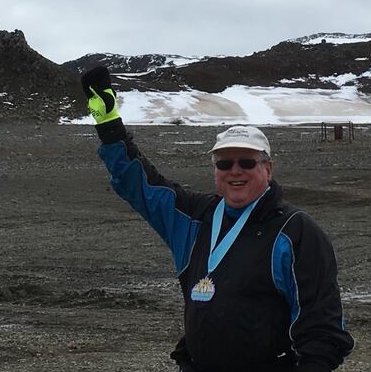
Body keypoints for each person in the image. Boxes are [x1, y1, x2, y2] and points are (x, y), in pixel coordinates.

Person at [81, 66, 355, 372]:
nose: (234, 171)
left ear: (268, 169)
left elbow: (322, 328)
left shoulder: (295, 232)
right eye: (224, 163)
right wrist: (109, 124)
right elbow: (141, 185)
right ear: (215, 171)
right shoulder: (193, 218)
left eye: (247, 162)